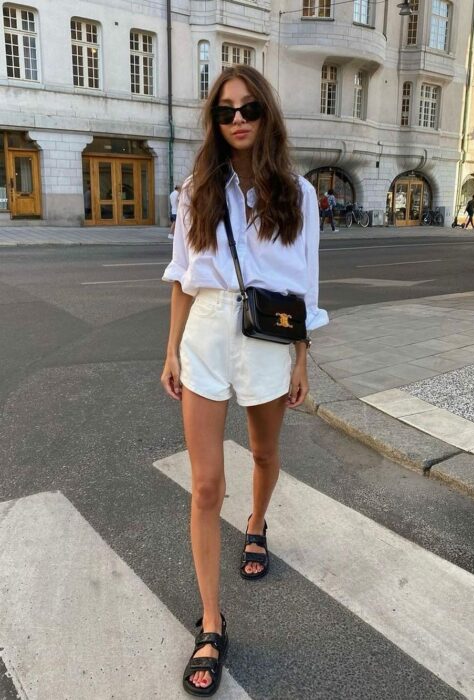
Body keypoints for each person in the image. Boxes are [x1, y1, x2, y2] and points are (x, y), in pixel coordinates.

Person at [160, 65, 328, 696]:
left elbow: (306, 283)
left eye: (248, 108)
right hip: (204, 333)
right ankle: (210, 621)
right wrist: (171, 350)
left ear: (267, 115)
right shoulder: (195, 187)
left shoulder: (299, 194)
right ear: (214, 119)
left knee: (263, 452)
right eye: (226, 111)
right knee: (204, 486)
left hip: (269, 336)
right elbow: (182, 273)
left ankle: (256, 524)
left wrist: (303, 356)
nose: (237, 120)